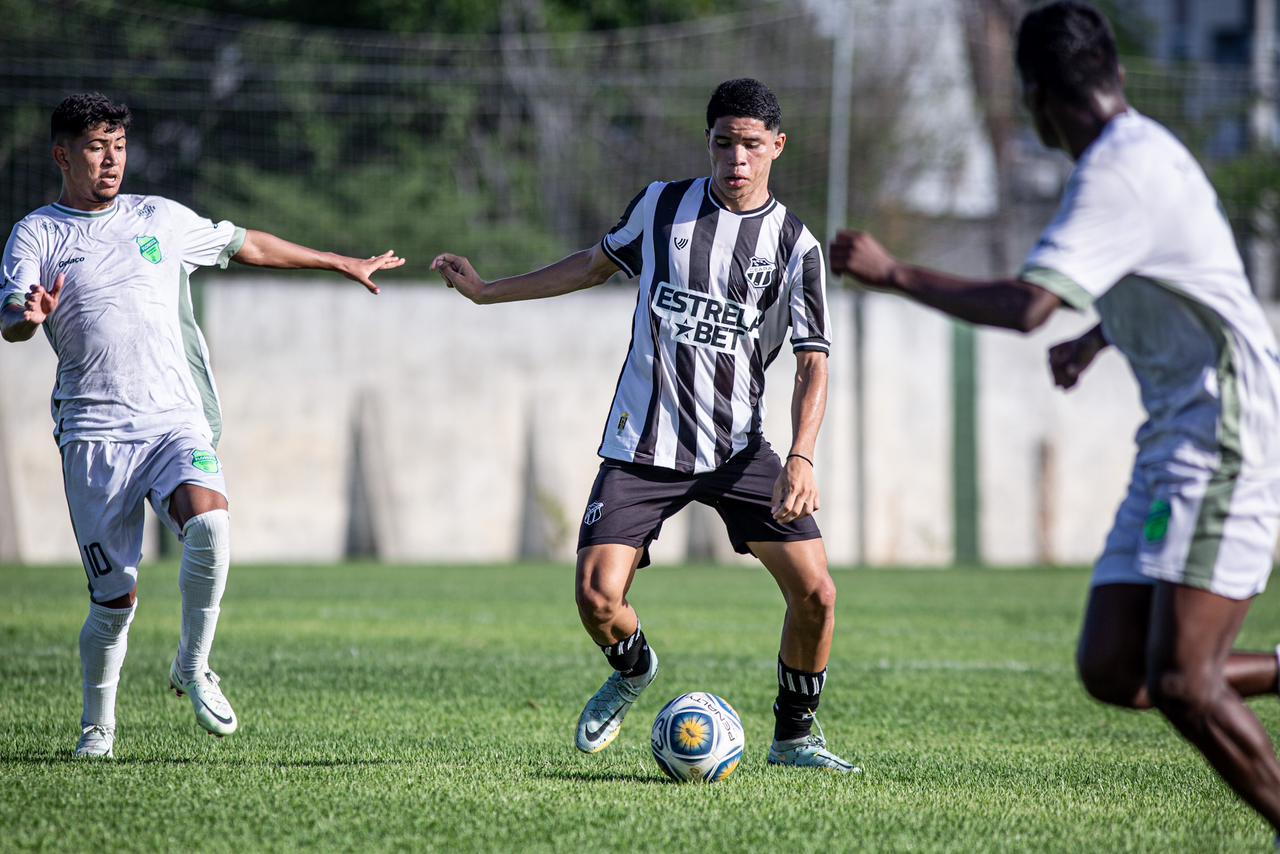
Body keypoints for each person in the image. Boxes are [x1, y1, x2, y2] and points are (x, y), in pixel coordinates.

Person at [830, 0, 1280, 835]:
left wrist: (894, 274)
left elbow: (1028, 304)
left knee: (1183, 681)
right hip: (1176, 436)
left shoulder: (1119, 172)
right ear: (1114, 72)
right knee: (1114, 666)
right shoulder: (1139, 155)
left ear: (1036, 96)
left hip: (1227, 433)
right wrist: (1102, 338)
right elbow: (1185, 275)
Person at [432, 78, 855, 771]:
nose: (737, 159)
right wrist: (487, 293)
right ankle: (633, 669)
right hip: (643, 443)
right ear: (709, 144)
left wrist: (802, 456)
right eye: (725, 143)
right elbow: (593, 266)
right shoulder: (661, 206)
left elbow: (814, 362)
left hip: (738, 450)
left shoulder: (795, 247)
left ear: (777, 147)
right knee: (598, 597)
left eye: (752, 145)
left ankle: (795, 737)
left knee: (817, 592)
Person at [0, 92, 404, 758]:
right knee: (113, 602)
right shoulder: (38, 233)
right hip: (95, 438)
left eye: (119, 146)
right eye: (96, 148)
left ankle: (192, 663)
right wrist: (28, 315)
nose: (110, 161)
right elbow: (12, 313)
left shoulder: (159, 217)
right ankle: (97, 730)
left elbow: (248, 244)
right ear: (62, 155)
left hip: (173, 422)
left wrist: (341, 262)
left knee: (211, 523)